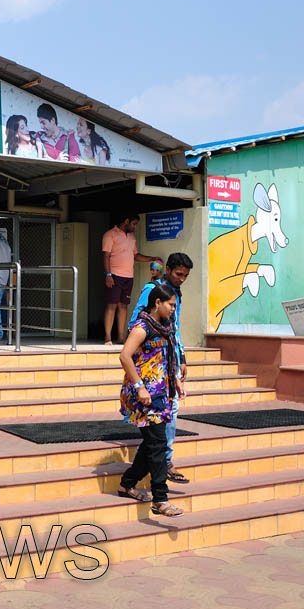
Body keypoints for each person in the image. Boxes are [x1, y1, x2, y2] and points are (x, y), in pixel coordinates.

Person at [116, 284, 184, 517]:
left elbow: (164, 358)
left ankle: (128, 483)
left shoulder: (166, 327)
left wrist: (174, 380)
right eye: (170, 305)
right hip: (144, 394)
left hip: (160, 392)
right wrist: (139, 387)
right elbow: (125, 356)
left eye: (175, 305)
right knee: (157, 443)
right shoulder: (143, 326)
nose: (173, 309)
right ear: (157, 303)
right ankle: (160, 498)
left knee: (152, 443)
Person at [131, 252, 195, 485]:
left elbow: (175, 329)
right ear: (168, 269)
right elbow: (136, 322)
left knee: (172, 408)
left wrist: (182, 357)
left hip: (171, 360)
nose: (181, 279)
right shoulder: (152, 290)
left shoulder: (176, 293)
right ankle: (164, 461)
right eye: (178, 274)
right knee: (161, 414)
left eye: (185, 276)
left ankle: (163, 459)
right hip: (153, 364)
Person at [102, 215, 162, 345]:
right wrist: (108, 275)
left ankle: (121, 338)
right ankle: (107, 338)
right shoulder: (110, 235)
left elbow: (136, 255)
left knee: (123, 306)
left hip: (128, 277)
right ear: (126, 221)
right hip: (114, 275)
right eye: (134, 224)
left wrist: (152, 258)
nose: (135, 227)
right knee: (111, 305)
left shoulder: (132, 237)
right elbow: (106, 255)